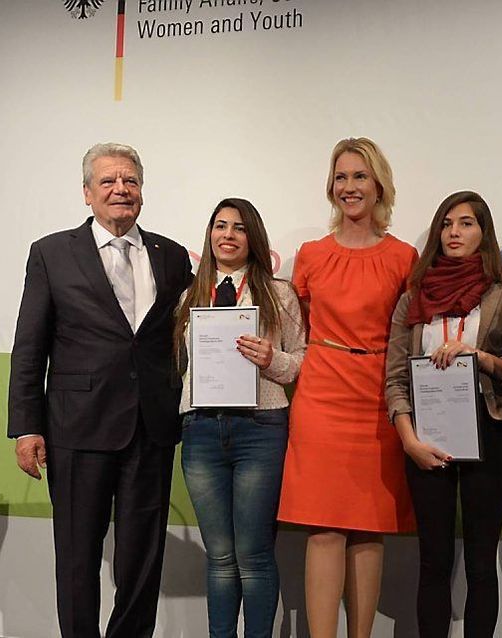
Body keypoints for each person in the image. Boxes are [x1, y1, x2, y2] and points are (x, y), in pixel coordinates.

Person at [7, 142, 193, 637]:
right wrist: (26, 427)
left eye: (130, 181)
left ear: (142, 192)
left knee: (142, 560)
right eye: (108, 181)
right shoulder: (51, 253)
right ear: (87, 192)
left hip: (150, 428)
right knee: (76, 557)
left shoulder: (172, 257)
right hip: (75, 429)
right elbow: (30, 345)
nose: (120, 190)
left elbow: (196, 327)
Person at [276, 137, 417, 638]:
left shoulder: (404, 257)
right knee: (324, 527)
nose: (350, 186)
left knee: (368, 528)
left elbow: (409, 336)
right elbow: (299, 327)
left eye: (360, 176)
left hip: (379, 401)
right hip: (322, 396)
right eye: (341, 177)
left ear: (379, 184)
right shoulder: (311, 255)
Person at [385, 190, 502, 638]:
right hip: (427, 437)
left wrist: (478, 356)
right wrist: (409, 441)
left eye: (466, 223)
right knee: (434, 560)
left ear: (484, 233)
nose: (454, 232)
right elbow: (395, 380)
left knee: (482, 562)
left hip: (488, 431)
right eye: (446, 223)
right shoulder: (412, 298)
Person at [174, 198, 306, 637]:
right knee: (220, 556)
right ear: (209, 235)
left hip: (260, 429)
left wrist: (273, 359)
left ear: (254, 238)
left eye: (238, 228)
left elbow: (302, 361)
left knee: (253, 554)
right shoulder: (188, 295)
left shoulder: (278, 292)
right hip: (201, 431)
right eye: (219, 226)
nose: (227, 235)